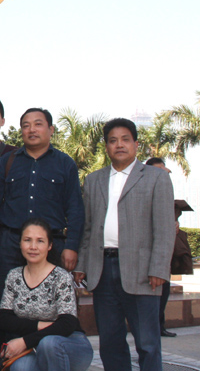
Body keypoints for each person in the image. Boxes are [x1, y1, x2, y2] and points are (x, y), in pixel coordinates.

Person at [74, 118, 174, 371]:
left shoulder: (156, 178)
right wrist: (82, 264)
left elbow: (164, 229)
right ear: (106, 146)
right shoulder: (94, 180)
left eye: (125, 139)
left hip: (143, 271)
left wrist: (159, 268)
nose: (119, 145)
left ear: (136, 144)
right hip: (103, 270)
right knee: (110, 341)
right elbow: (88, 228)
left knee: (147, 342)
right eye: (113, 140)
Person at [0, 108, 84, 314]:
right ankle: (6, 336)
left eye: (38, 124)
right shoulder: (7, 162)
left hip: (51, 245)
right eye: (26, 126)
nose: (31, 130)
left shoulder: (65, 163)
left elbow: (75, 208)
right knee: (6, 304)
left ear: (51, 129)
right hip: (11, 243)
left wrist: (72, 246)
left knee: (50, 305)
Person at [0, 218, 92, 371]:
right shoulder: (14, 276)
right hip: (34, 347)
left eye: (40, 241)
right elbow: (4, 319)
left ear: (49, 245)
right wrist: (41, 325)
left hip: (69, 344)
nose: (33, 247)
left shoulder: (61, 276)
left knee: (49, 343)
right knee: (21, 367)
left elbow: (67, 324)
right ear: (20, 243)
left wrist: (24, 341)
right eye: (27, 240)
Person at [145, 157, 183, 337]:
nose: (164, 174)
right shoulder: (142, 194)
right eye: (159, 170)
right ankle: (151, 328)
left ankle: (159, 326)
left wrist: (174, 223)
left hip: (163, 255)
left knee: (164, 290)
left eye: (164, 170)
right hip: (146, 253)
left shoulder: (165, 191)